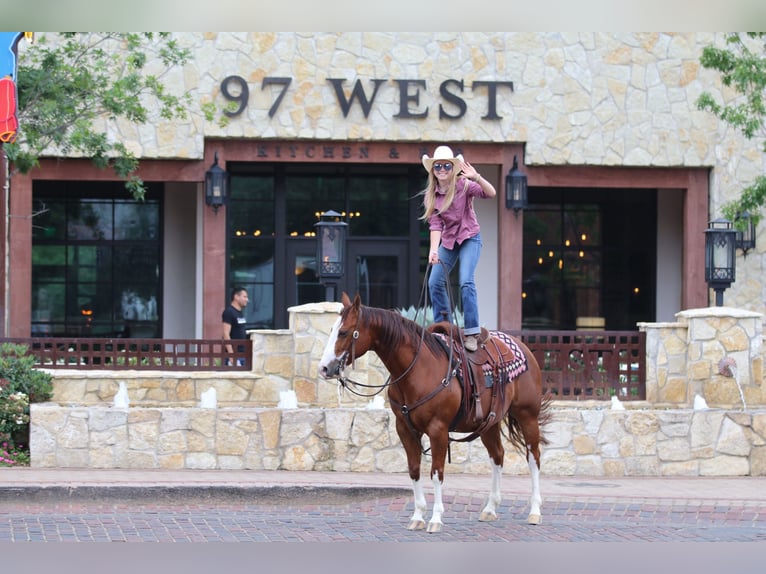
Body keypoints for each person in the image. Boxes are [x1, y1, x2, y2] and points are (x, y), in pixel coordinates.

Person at [420, 145, 496, 352]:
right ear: (433, 170)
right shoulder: (432, 196)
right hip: (449, 242)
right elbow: (435, 225)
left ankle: (472, 332)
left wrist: (477, 177)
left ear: (453, 168)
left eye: (446, 165)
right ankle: (444, 328)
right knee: (434, 281)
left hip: (470, 238)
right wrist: (433, 250)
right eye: (438, 166)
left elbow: (491, 193)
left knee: (465, 281)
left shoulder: (463, 185)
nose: (442, 169)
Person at [222, 286, 249, 365]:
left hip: (243, 354)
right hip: (234, 355)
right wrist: (231, 355)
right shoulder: (229, 312)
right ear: (236, 297)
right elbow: (225, 334)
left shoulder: (240, 313)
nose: (247, 300)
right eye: (244, 297)